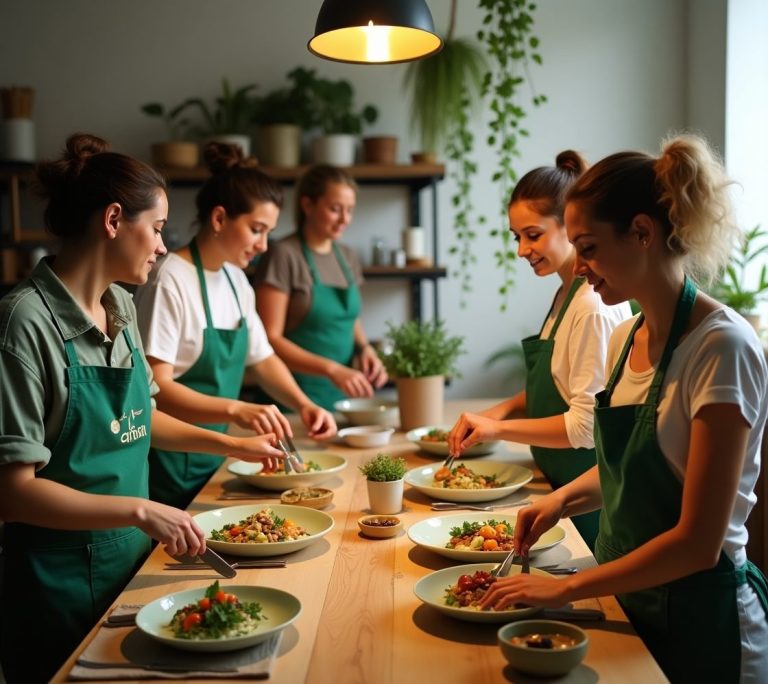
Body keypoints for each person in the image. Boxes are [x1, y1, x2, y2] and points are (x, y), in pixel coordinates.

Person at [479, 135, 768, 683]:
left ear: (642, 233)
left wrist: (565, 586)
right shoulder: (627, 337)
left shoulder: (721, 348)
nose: (580, 267)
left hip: (700, 619)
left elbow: (698, 543)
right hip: (629, 599)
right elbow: (629, 468)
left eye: (587, 247)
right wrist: (562, 500)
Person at [0, 133, 285, 683]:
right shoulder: (23, 324)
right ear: (112, 220)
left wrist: (230, 442)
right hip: (56, 585)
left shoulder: (120, 306)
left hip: (129, 564)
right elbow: (14, 491)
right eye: (155, 229)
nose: (161, 245)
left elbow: (136, 418)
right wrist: (139, 510)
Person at [134, 143, 336, 510]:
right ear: (219, 219)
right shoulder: (169, 280)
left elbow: (263, 358)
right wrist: (236, 410)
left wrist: (303, 405)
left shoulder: (234, 279)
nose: (262, 245)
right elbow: (157, 390)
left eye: (268, 233)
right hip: (173, 465)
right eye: (256, 229)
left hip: (219, 460)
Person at [447, 151, 632, 550]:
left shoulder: (592, 307)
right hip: (552, 484)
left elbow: (585, 428)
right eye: (517, 237)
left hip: (585, 503)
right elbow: (560, 384)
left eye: (533, 235)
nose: (521, 250)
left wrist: (497, 429)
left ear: (569, 224)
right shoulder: (566, 293)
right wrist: (501, 409)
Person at [252, 164, 387, 412]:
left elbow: (349, 317)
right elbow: (269, 338)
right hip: (293, 399)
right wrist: (332, 369)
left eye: (350, 210)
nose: (345, 219)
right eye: (335, 209)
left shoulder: (347, 256)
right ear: (308, 205)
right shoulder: (283, 255)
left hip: (344, 397)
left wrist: (365, 348)